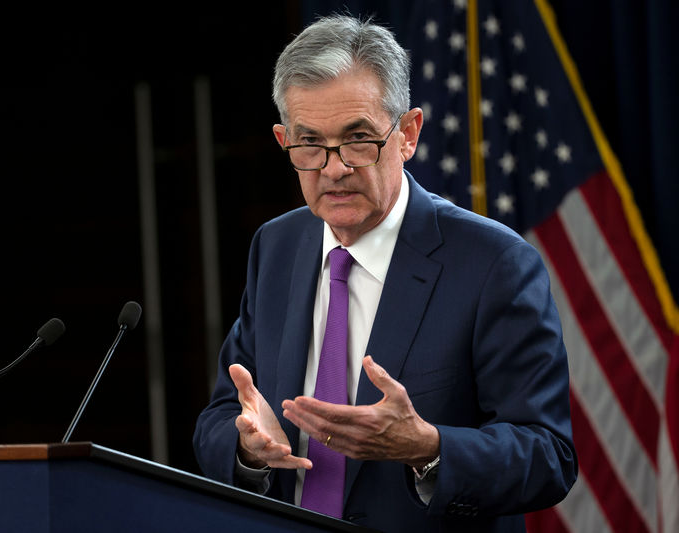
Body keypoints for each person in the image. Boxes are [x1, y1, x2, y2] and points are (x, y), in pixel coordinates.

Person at [194, 14, 576, 533]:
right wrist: (248, 447)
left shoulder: (494, 263)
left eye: (357, 139)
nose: (333, 168)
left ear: (408, 134)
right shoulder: (277, 246)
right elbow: (220, 416)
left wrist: (427, 448)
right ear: (284, 140)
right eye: (310, 144)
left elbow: (548, 455)